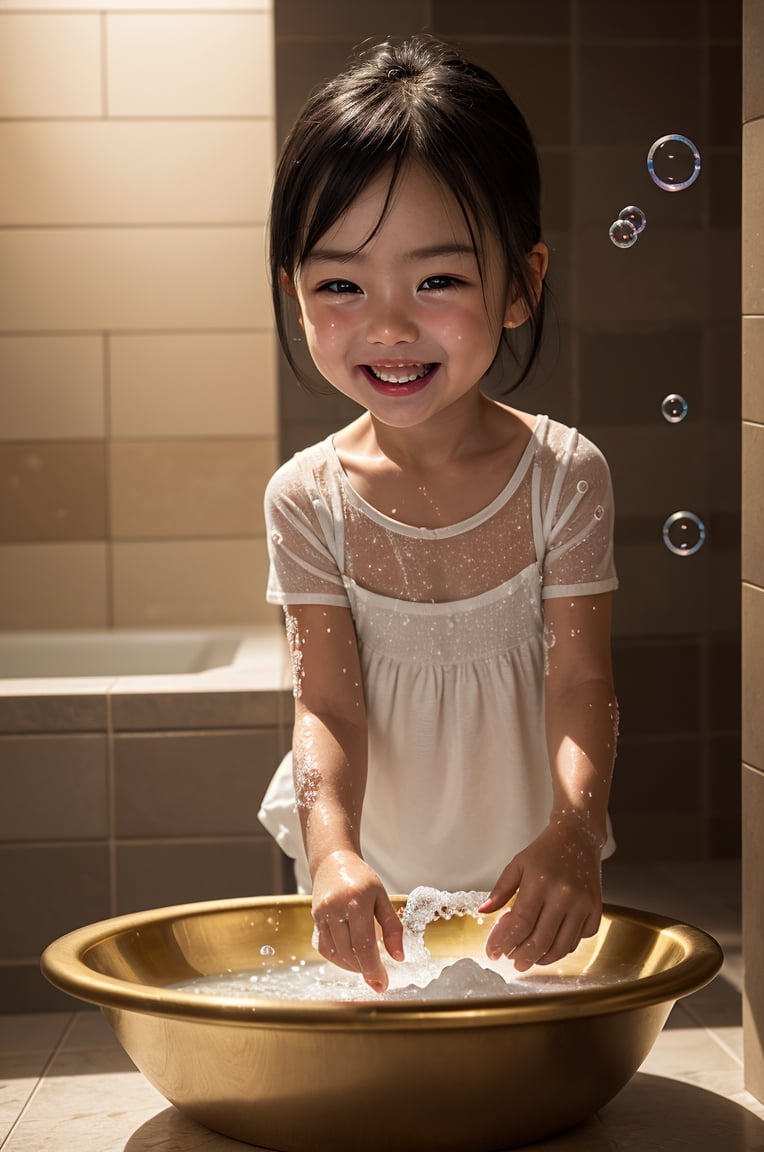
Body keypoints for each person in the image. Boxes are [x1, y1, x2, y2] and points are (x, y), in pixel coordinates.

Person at [258, 34, 619, 994]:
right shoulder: (307, 499)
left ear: (521, 286)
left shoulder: (562, 476)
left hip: (529, 865)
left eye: (440, 279)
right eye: (340, 283)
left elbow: (581, 682)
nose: (387, 325)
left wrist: (574, 831)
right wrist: (331, 850)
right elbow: (324, 704)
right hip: (364, 867)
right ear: (295, 296)